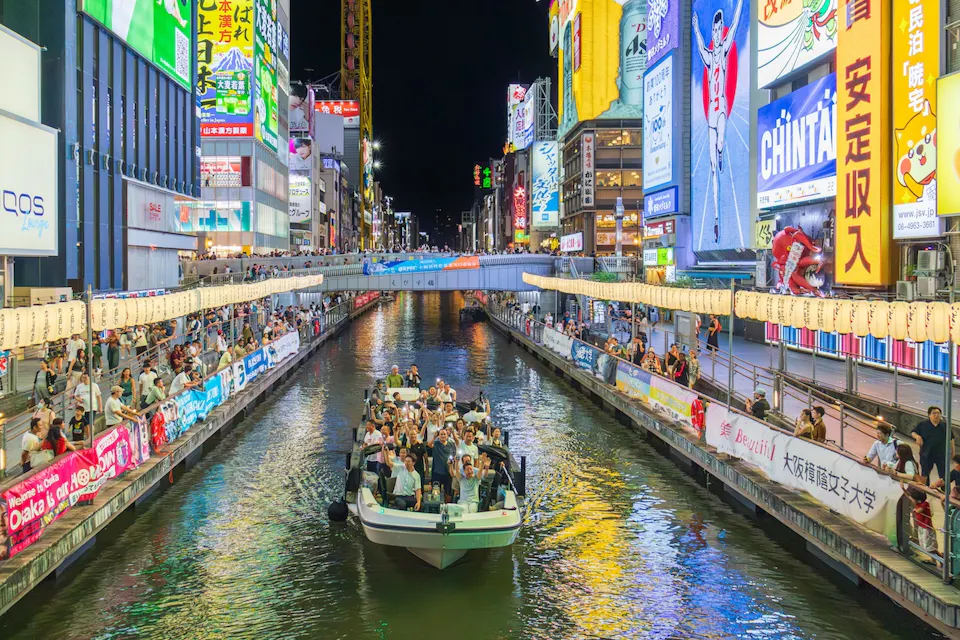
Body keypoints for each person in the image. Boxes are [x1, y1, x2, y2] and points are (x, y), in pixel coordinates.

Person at [693, 0, 744, 242]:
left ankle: (721, 151)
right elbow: (700, 45)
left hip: (721, 108)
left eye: (718, 29)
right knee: (712, 168)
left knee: (721, 142)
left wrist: (741, 4)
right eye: (714, 30)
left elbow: (735, 25)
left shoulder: (723, 51)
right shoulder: (709, 55)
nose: (716, 32)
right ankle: (715, 219)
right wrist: (694, 27)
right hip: (710, 117)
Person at [911, 406, 954, 485]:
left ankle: (944, 492)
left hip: (941, 454)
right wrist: (918, 436)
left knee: (944, 475)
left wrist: (952, 451)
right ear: (929, 415)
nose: (936, 415)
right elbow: (913, 432)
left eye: (938, 413)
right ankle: (925, 490)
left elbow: (951, 439)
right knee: (925, 474)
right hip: (926, 454)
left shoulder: (945, 426)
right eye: (934, 413)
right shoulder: (923, 424)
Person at [384, 445, 422, 511]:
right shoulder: (400, 468)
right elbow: (389, 463)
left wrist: (418, 502)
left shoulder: (416, 475)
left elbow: (418, 489)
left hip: (410, 496)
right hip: (399, 496)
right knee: (402, 505)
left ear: (413, 463)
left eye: (409, 462)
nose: (406, 463)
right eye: (406, 461)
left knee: (421, 505)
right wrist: (386, 453)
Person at [427, 427, 457, 500]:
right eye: (441, 434)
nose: (443, 436)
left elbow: (454, 455)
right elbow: (429, 445)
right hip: (437, 472)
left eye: (444, 434)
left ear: (447, 435)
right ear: (439, 436)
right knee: (435, 492)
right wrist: (434, 437)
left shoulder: (451, 444)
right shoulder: (436, 443)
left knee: (448, 492)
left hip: (448, 472)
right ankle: (437, 507)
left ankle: (447, 507)